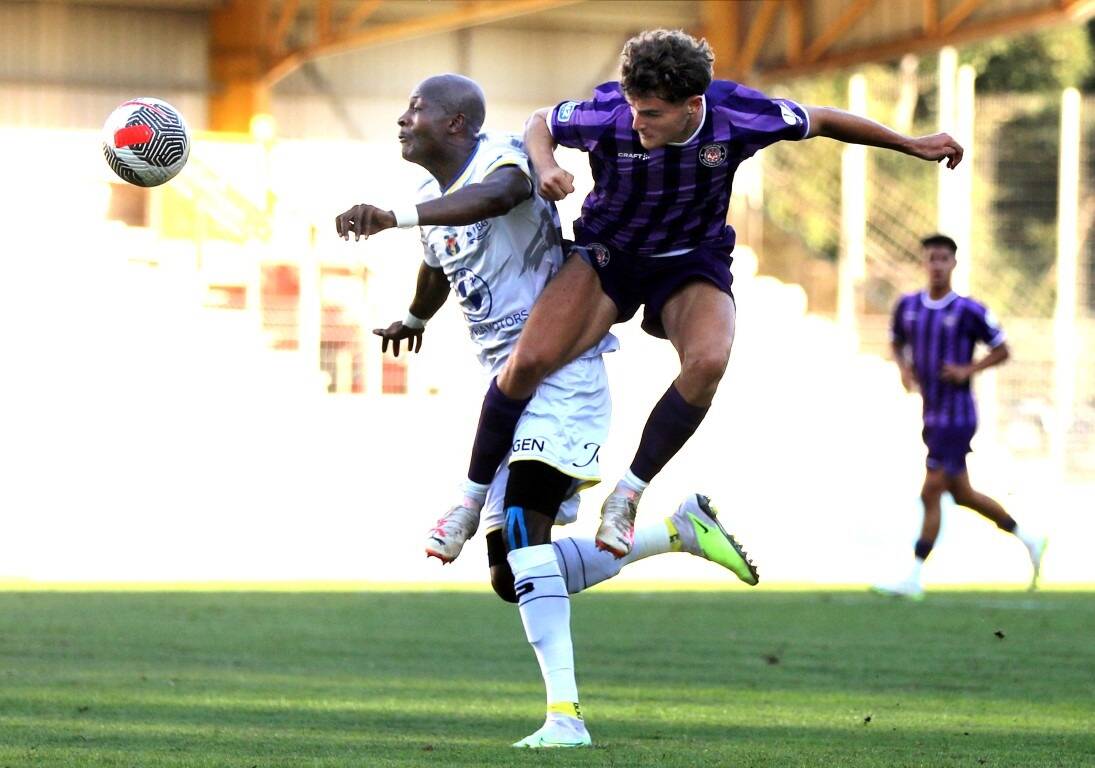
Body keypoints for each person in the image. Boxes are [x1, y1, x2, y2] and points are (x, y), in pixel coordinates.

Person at [428, 28, 969, 562]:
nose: (637, 123)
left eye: (653, 113)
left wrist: (910, 143)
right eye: (635, 108)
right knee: (529, 360)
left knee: (710, 360)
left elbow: (823, 119)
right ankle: (469, 502)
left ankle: (628, 495)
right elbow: (540, 122)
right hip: (609, 254)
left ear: (693, 106)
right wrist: (546, 165)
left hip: (690, 261)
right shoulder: (611, 113)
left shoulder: (739, 115)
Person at [335, 73, 758, 749]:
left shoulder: (501, 158)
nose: (401, 120)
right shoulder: (427, 196)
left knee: (528, 544)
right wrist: (414, 314)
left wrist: (393, 218)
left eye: (416, 109)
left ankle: (566, 718)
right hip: (508, 387)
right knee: (511, 574)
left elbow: (496, 198)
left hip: (561, 376)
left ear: (454, 124)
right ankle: (677, 534)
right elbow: (438, 264)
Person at [873, 234, 1046, 599]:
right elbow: (895, 341)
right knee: (962, 493)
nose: (936, 265)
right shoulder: (907, 306)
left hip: (958, 415)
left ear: (954, 264)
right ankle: (1029, 538)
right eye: (930, 258)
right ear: (924, 263)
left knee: (931, 489)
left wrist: (969, 369)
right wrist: (904, 370)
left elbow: (1002, 349)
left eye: (943, 259)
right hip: (931, 413)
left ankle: (915, 575)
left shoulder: (969, 310)